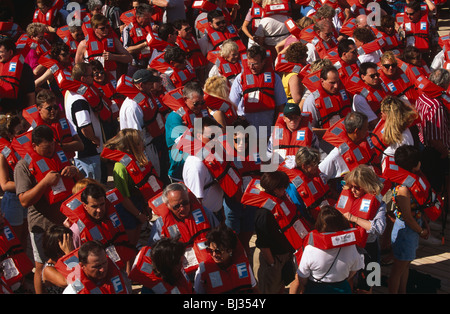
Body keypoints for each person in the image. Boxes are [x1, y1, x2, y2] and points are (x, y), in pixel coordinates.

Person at [14, 125, 80, 294]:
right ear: (34, 146)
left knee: (68, 260)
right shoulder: (23, 166)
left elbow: (81, 183)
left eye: (52, 146)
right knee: (42, 265)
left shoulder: (60, 155)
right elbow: (23, 201)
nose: (50, 151)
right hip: (41, 225)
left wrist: (75, 172)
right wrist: (44, 183)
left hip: (65, 222)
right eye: (45, 148)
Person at [241, 171, 306, 294]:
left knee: (281, 287)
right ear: (275, 190)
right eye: (284, 187)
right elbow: (263, 245)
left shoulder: (281, 201)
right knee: (269, 290)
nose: (286, 190)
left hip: (284, 256)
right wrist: (272, 264)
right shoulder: (264, 214)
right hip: (272, 259)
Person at [101, 129, 158, 250]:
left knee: (135, 241)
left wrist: (144, 207)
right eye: (138, 142)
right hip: (127, 210)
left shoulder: (137, 161)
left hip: (138, 204)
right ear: (129, 147)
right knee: (129, 246)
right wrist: (138, 215)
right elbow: (123, 198)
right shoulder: (120, 167)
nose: (142, 144)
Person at [148, 183, 219, 279]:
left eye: (185, 203)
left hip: (208, 267)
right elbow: (154, 253)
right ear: (168, 206)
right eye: (176, 206)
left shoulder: (205, 213)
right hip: (181, 274)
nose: (182, 208)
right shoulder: (160, 225)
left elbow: (220, 235)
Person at [387, 145, 432, 294]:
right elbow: (407, 217)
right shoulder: (404, 189)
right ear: (414, 165)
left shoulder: (407, 180)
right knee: (397, 270)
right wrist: (421, 231)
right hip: (406, 231)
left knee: (405, 266)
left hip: (410, 229)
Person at [338, 165, 387, 293]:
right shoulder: (348, 197)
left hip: (370, 248)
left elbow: (379, 228)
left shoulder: (379, 204)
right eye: (351, 186)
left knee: (370, 282)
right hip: (349, 246)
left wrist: (354, 219)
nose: (353, 190)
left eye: (357, 187)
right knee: (347, 281)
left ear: (367, 185)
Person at [295, 205, 364, 294]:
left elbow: (302, 277)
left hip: (316, 289)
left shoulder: (310, 249)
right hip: (342, 288)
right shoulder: (351, 246)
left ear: (319, 225)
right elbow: (354, 270)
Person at [414, 68, 449, 228]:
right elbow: (435, 137)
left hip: (423, 146)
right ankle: (433, 220)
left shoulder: (422, 97)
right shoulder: (436, 105)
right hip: (435, 152)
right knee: (436, 186)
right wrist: (445, 152)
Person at [229, 44, 287, 140]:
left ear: (263, 62)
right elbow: (232, 104)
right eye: (249, 63)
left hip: (267, 129)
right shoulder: (240, 78)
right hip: (246, 130)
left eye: (255, 63)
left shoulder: (275, 78)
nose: (251, 67)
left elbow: (280, 106)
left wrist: (276, 128)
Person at [117, 69, 166, 179]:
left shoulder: (143, 98)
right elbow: (135, 136)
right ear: (141, 85)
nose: (152, 86)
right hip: (143, 151)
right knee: (153, 178)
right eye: (150, 84)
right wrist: (143, 159)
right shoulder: (132, 107)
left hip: (150, 145)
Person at [63, 62, 106, 181]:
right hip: (87, 153)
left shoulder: (70, 93)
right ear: (83, 78)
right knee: (93, 185)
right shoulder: (79, 100)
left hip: (85, 153)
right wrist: (94, 139)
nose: (94, 77)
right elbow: (84, 127)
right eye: (91, 75)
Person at [164, 81, 210, 181]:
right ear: (185, 99)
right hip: (180, 170)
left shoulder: (202, 113)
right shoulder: (174, 118)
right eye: (196, 103)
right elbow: (185, 143)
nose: (199, 106)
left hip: (202, 167)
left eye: (202, 103)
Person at [279, 146, 337, 223]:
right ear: (304, 166)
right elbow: (301, 211)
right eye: (314, 165)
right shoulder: (293, 187)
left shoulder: (314, 174)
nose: (317, 167)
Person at [194, 224, 258, 294]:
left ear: (230, 250)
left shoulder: (243, 265)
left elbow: (255, 289)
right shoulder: (202, 270)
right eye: (210, 251)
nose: (214, 255)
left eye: (218, 251)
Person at [25, 89, 84, 160]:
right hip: (50, 167)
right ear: (39, 109)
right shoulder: (34, 129)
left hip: (68, 164)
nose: (53, 110)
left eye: (55, 107)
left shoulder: (63, 121)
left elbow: (80, 145)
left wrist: (58, 146)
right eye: (49, 108)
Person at [0, 115, 30, 255]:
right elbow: (4, 185)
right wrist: (29, 184)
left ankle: (24, 271)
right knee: (14, 241)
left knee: (25, 237)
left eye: (24, 130)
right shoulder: (3, 155)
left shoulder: (26, 149)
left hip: (26, 198)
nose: (23, 134)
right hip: (12, 201)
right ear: (10, 135)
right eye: (19, 132)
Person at [319, 112, 372, 185]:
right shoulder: (336, 154)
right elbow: (320, 177)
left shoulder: (359, 142)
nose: (367, 130)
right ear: (356, 131)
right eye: (365, 128)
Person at [75, 14, 132, 79]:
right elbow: (78, 67)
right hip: (93, 79)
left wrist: (113, 57)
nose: (106, 30)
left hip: (110, 77)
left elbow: (129, 58)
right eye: (102, 28)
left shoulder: (114, 41)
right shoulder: (83, 44)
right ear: (94, 29)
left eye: (107, 27)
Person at [62, 240, 132, 294]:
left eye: (104, 263)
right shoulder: (73, 291)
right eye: (97, 266)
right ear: (82, 266)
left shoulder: (117, 277)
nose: (102, 269)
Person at [301, 65, 351, 139]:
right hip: (324, 145)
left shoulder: (343, 93)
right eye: (332, 83)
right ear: (322, 81)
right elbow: (308, 129)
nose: (336, 86)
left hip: (345, 139)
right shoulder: (312, 100)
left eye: (338, 82)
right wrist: (333, 132)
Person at [267, 101, 318, 166]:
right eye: (290, 117)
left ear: (300, 118)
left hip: (300, 168)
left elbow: (315, 156)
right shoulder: (275, 135)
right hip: (280, 169)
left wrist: (297, 161)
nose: (293, 120)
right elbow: (268, 155)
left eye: (296, 117)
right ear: (284, 119)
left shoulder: (310, 135)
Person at [369, 95, 419, 162]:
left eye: (383, 111)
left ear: (390, 115)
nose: (381, 113)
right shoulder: (384, 123)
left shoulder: (404, 138)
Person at [347, 61, 389, 130]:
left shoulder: (381, 85)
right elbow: (374, 123)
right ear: (363, 77)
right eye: (372, 76)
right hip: (378, 130)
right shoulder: (360, 98)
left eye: (377, 75)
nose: (376, 77)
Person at [0, 36, 35, 114]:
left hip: (17, 111)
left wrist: (31, 115)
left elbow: (31, 95)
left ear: (10, 52)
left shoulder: (25, 69)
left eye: (1, 52)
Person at [42, 225, 74, 294]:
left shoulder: (67, 261)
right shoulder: (48, 269)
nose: (72, 244)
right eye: (68, 242)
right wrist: (70, 254)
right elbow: (72, 281)